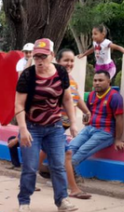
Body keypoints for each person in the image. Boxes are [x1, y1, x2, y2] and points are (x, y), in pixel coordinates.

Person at [15, 38, 78, 212]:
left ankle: (62, 200)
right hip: (31, 126)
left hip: (54, 127)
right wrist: (23, 129)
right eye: (36, 57)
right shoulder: (27, 75)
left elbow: (67, 99)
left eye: (43, 56)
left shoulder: (60, 72)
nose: (39, 61)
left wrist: (73, 122)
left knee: (58, 165)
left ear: (52, 55)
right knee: (30, 167)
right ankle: (24, 199)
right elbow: (19, 104)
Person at [37, 49, 94, 199]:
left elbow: (76, 97)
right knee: (67, 154)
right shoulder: (54, 78)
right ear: (58, 60)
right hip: (54, 124)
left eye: (71, 61)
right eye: (66, 60)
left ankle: (29, 178)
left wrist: (86, 111)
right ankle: (74, 189)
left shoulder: (70, 79)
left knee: (45, 151)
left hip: (64, 125)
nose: (69, 63)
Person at [68, 70, 124, 171]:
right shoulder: (91, 95)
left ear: (108, 81)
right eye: (95, 80)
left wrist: (118, 139)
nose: (97, 83)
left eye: (100, 80)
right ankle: (67, 171)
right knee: (71, 147)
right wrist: (85, 121)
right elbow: (87, 112)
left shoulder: (115, 96)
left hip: (105, 132)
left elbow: (119, 118)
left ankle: (64, 171)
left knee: (83, 150)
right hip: (89, 128)